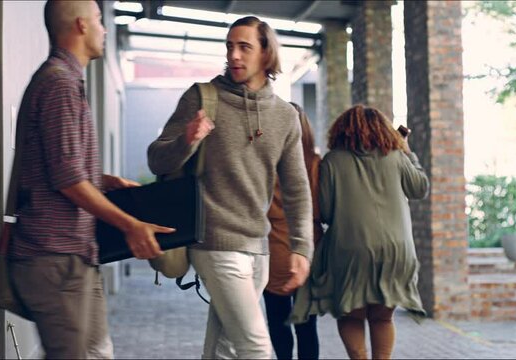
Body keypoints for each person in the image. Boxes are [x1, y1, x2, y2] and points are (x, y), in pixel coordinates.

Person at [7, 1, 174, 358]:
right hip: (55, 257)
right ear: (82, 26)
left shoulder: (66, 82)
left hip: (75, 253)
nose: (105, 29)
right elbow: (67, 179)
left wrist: (103, 180)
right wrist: (131, 225)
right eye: (100, 21)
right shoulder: (60, 85)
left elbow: (59, 168)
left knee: (98, 352)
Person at [147, 16, 313, 359]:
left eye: (244, 47)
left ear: (266, 53)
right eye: (229, 46)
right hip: (214, 240)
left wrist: (302, 248)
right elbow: (157, 160)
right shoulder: (202, 98)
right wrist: (187, 140)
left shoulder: (285, 116)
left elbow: (297, 189)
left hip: (258, 246)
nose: (234, 55)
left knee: (225, 349)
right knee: (256, 347)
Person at [290, 105, 429, 360]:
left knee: (351, 314)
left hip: (350, 250)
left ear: (341, 131)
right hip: (397, 251)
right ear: (383, 130)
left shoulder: (332, 161)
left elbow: (328, 212)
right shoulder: (396, 156)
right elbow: (420, 188)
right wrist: (408, 152)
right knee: (382, 316)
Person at [263, 103, 321, 360]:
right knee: (308, 325)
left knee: (277, 320)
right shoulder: (316, 164)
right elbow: (322, 209)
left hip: (272, 248)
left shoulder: (265, 164)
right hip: (309, 248)